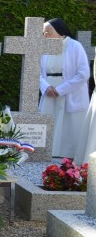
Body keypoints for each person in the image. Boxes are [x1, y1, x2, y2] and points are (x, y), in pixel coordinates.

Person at [39, 18, 89, 159]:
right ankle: (46, 151)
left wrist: (61, 89)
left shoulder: (75, 46)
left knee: (68, 123)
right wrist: (46, 87)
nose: (45, 36)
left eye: (48, 32)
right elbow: (37, 71)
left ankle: (67, 155)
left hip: (68, 91)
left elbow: (83, 73)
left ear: (59, 31)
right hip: (49, 91)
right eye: (44, 33)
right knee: (49, 120)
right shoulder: (44, 48)